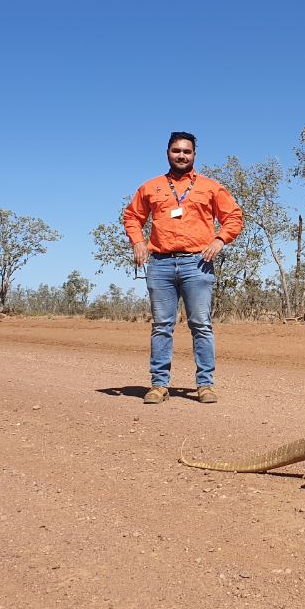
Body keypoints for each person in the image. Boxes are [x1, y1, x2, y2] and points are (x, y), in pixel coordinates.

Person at [123, 131, 244, 404]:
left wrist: (220, 239)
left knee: (200, 324)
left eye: (187, 152)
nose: (181, 155)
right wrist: (137, 242)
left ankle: (205, 385)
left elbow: (234, 216)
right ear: (167, 153)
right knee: (162, 326)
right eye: (176, 151)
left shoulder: (210, 187)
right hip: (160, 264)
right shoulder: (151, 187)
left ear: (194, 155)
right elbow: (132, 216)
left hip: (197, 263)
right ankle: (159, 385)